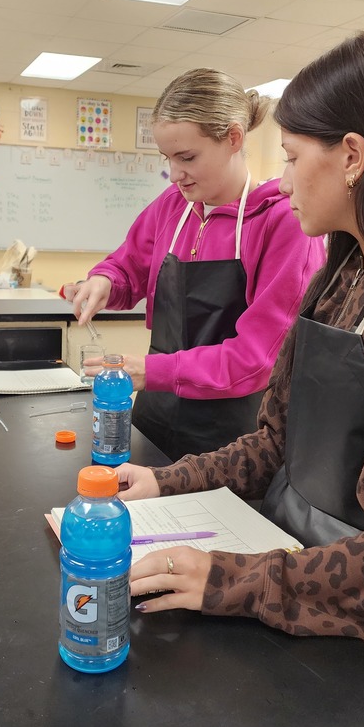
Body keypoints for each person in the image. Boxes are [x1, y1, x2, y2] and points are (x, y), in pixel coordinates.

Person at [116, 31, 364, 643]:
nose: (280, 184)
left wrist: (234, 580)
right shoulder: (340, 277)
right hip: (288, 561)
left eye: (289, 156)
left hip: (324, 614)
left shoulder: (288, 233)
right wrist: (163, 480)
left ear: (352, 157)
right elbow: (276, 445)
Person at [61, 68, 325, 461]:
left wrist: (152, 371)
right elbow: (127, 266)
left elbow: (256, 359)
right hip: (152, 423)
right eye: (168, 158)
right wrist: (102, 280)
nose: (175, 175)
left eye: (187, 157)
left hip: (231, 442)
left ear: (233, 138)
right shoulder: (173, 206)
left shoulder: (283, 223)